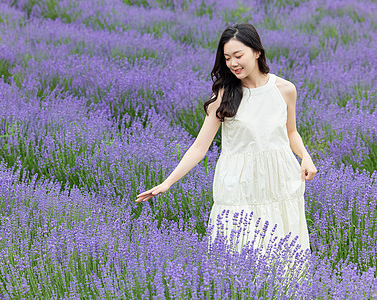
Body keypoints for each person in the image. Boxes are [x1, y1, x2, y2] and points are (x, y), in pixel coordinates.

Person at [135, 23, 317, 257]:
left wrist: (306, 157)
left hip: (279, 180)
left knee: (283, 255)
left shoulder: (285, 89)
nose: (232, 63)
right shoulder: (224, 95)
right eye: (227, 58)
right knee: (240, 252)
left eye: (238, 55)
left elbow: (291, 132)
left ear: (257, 51)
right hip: (239, 185)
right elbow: (200, 147)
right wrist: (167, 182)